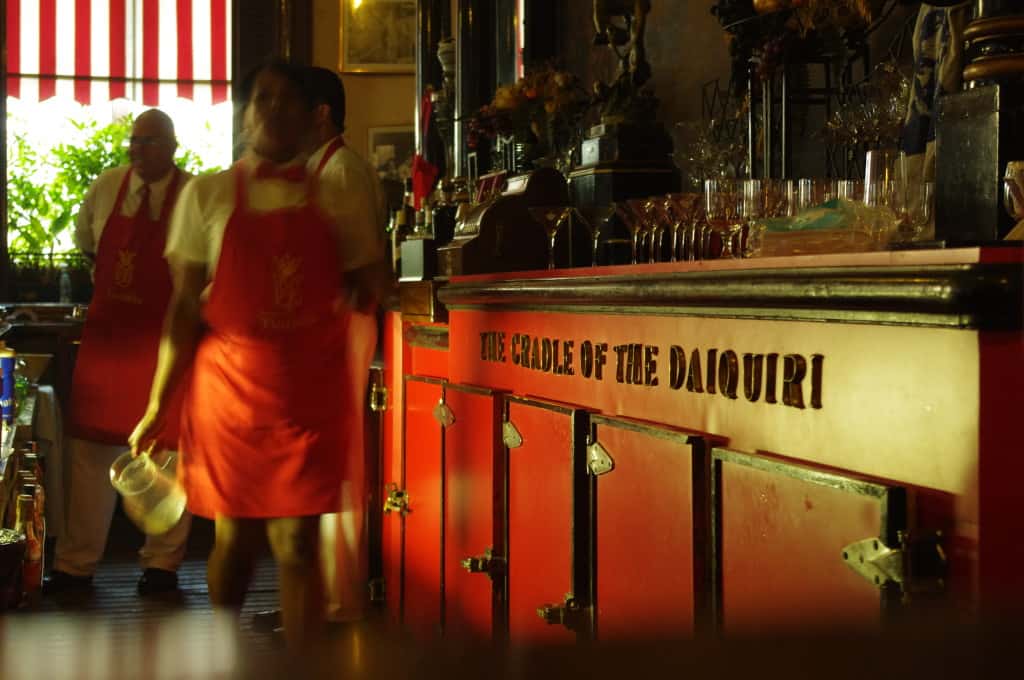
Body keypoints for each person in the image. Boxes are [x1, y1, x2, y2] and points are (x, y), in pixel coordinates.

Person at [128, 60, 389, 652]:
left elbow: (372, 282)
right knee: (237, 545)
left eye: (289, 101)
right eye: (263, 99)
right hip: (232, 395)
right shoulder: (209, 193)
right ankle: (225, 654)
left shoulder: (337, 194)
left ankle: (301, 666)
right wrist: (156, 406)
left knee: (298, 545)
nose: (276, 110)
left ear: (309, 117)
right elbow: (184, 309)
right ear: (245, 116)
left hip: (307, 394)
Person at [249, 66, 388, 633]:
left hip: (339, 329)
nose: (276, 116)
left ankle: (336, 600)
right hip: (314, 334)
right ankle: (312, 594)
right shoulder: (311, 171)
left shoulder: (344, 173)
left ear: (321, 114)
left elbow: (355, 268)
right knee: (312, 465)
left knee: (337, 466)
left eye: (289, 105)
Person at [48, 109, 193, 597]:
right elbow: (88, 242)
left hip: (164, 344)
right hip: (109, 343)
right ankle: (75, 565)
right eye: (134, 141)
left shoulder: (192, 194)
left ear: (172, 146)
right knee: (88, 455)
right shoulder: (107, 186)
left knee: (168, 454)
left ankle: (162, 565)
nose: (138, 150)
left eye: (149, 142)